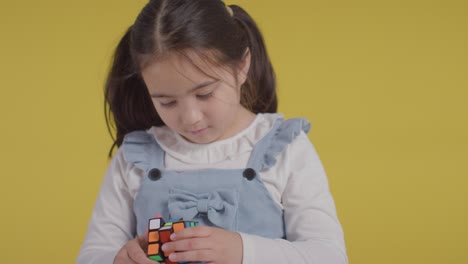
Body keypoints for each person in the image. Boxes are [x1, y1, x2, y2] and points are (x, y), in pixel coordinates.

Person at [77, 0, 348, 263]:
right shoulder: (134, 158)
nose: (190, 118)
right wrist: (117, 259)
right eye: (166, 102)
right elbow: (91, 254)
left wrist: (243, 251)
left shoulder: (285, 149)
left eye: (205, 93)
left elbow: (329, 256)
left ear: (242, 66)